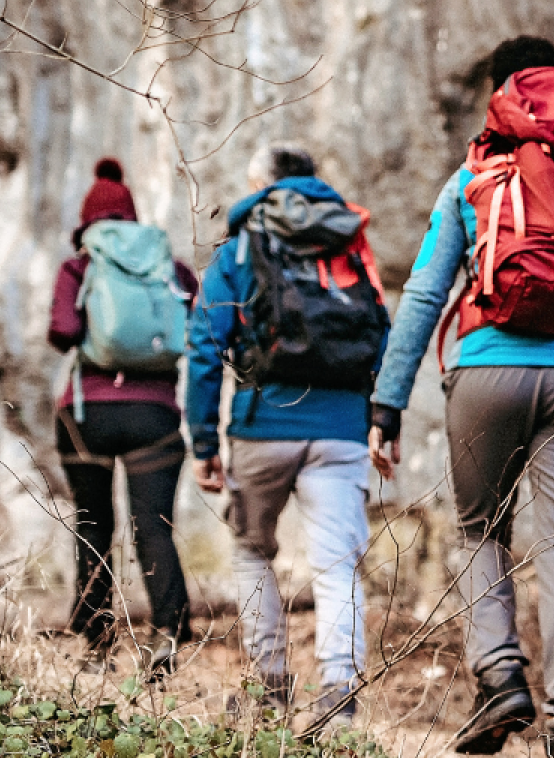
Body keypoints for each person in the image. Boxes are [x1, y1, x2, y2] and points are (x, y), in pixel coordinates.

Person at [368, 36, 554, 758]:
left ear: (502, 97)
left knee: (480, 531)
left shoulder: (473, 182)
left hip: (486, 372)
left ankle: (500, 679)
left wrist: (386, 404)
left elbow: (425, 293)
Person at [185, 144, 387, 729]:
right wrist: (380, 417)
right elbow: (382, 331)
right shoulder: (348, 235)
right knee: (337, 566)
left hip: (261, 424)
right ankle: (339, 700)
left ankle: (271, 687)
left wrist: (204, 443)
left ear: (262, 183)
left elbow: (204, 345)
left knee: (251, 550)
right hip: (343, 428)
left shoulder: (244, 242)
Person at [48, 157, 198, 676]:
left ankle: (97, 645)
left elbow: (62, 331)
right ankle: (167, 635)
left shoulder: (80, 266)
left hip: (87, 415)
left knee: (93, 524)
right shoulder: (172, 268)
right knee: (153, 526)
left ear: (88, 224)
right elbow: (194, 335)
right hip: (155, 416)